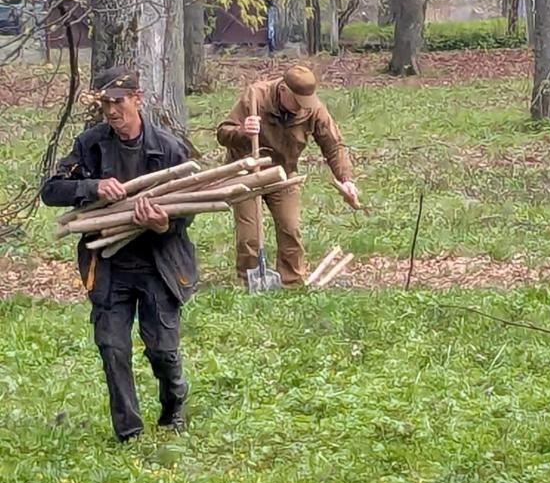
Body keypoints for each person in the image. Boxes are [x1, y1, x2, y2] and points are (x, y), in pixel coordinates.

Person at [41, 66, 197, 443]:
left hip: (158, 264)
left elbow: (189, 209)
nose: (111, 111)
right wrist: (92, 187)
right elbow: (51, 191)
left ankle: (173, 406)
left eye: (118, 102)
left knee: (162, 351)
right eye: (105, 103)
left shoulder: (169, 148)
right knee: (112, 348)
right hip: (110, 265)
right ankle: (129, 431)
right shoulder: (91, 145)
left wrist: (162, 223)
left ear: (137, 99)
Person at [217, 65, 359, 287]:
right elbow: (223, 133)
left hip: (283, 173)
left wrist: (346, 179)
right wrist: (243, 131)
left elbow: (333, 146)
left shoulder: (313, 108)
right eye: (297, 101)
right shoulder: (256, 97)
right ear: (283, 89)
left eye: (306, 102)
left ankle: (291, 282)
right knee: (249, 236)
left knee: (290, 229)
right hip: (247, 173)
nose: (301, 107)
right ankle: (250, 281)